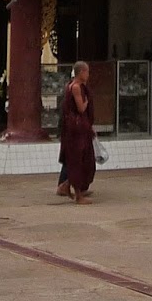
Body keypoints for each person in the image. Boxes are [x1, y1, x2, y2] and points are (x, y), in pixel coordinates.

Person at [57, 60, 96, 204]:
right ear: (81, 72)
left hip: (79, 128)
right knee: (77, 161)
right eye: (87, 72)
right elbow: (81, 108)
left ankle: (67, 185)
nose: (88, 75)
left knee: (84, 161)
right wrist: (87, 101)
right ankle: (77, 195)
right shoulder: (75, 87)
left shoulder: (75, 86)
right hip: (76, 129)